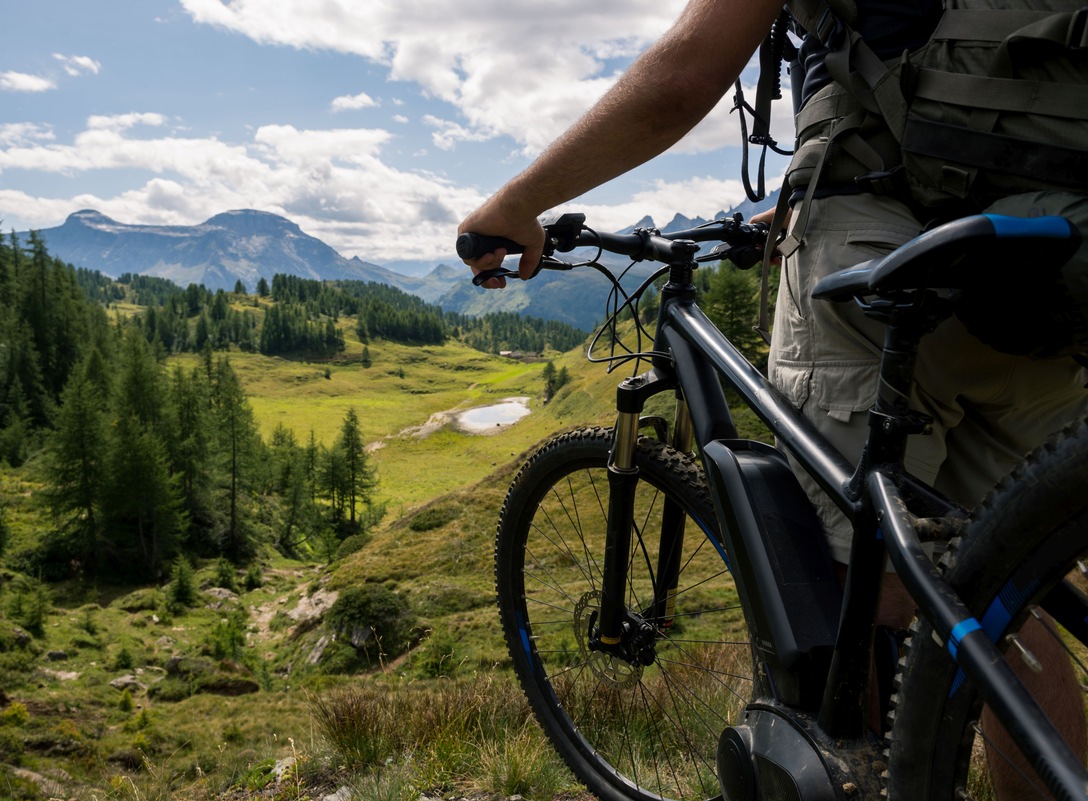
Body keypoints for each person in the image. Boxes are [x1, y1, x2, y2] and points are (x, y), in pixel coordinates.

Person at [457, 1, 1088, 798]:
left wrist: (521, 201)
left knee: (850, 592)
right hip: (1051, 252)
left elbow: (682, 76)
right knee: (1003, 587)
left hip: (883, 243)